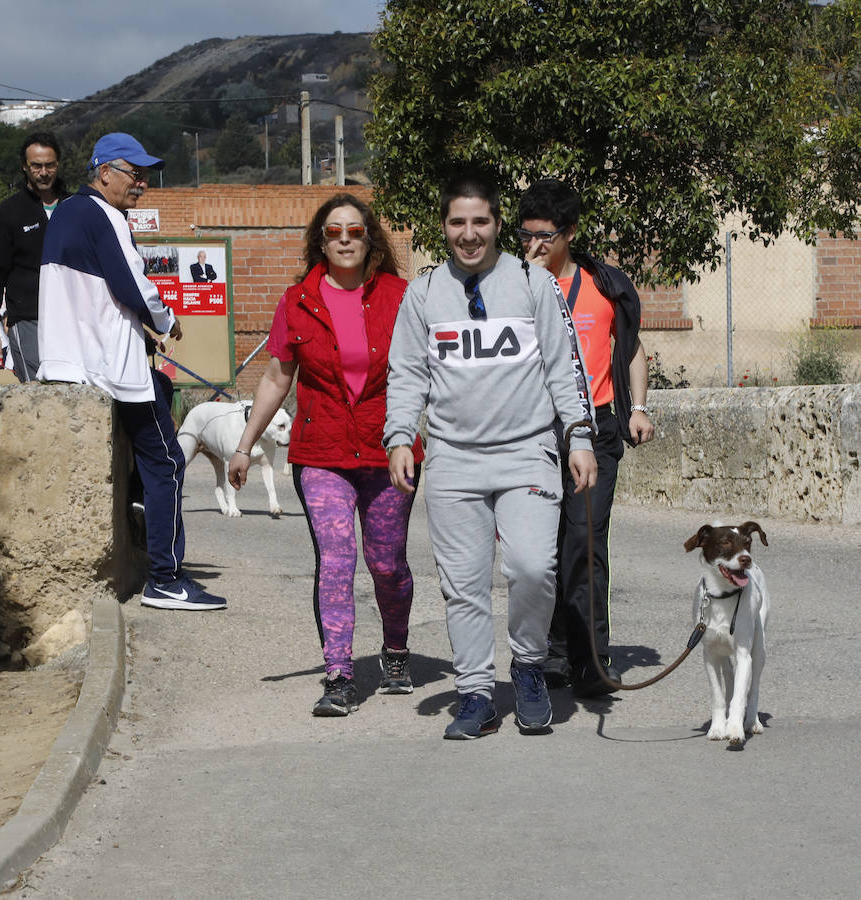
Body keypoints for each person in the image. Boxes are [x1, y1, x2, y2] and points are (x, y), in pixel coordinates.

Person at [384, 169, 597, 739]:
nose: (470, 233)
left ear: (499, 224)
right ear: (444, 226)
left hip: (527, 452)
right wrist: (400, 436)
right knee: (465, 583)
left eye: (481, 221)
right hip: (453, 460)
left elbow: (563, 367)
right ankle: (475, 693)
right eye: (458, 222)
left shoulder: (533, 283)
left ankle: (528, 666)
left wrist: (578, 437)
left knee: (532, 566)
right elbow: (405, 373)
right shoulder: (424, 292)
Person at [228, 193, 424, 717]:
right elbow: (276, 376)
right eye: (334, 230)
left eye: (354, 231)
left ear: (369, 238)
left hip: (391, 453)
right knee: (337, 560)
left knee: (386, 563)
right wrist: (245, 445)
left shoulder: (402, 296)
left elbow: (432, 370)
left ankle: (396, 649)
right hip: (322, 453)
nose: (344, 239)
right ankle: (338, 674)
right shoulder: (297, 301)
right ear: (321, 239)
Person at [37, 132, 226, 612]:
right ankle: (165, 577)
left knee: (143, 458)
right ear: (104, 172)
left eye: (146, 175)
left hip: (69, 363)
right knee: (168, 462)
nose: (142, 183)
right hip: (112, 370)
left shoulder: (67, 214)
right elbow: (132, 282)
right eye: (133, 173)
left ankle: (146, 523)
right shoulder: (105, 215)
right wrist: (165, 319)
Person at [518, 178, 655, 696]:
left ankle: (592, 659)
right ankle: (553, 653)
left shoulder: (604, 286)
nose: (532, 247)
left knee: (587, 541)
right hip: (534, 432)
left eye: (543, 237)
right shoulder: (516, 288)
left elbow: (631, 348)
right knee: (544, 547)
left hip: (596, 429)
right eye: (525, 236)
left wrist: (637, 408)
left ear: (569, 232)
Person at [0, 132, 71, 381]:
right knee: (40, 397)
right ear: (24, 167)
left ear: (57, 164)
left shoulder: (75, 207)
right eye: (36, 166)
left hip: (74, 321)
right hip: (29, 321)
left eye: (49, 165)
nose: (43, 172)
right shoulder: (9, 213)